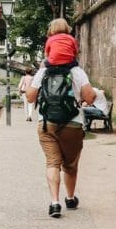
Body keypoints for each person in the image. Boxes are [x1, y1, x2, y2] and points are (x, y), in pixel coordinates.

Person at [26, 46, 96, 219]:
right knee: (70, 165)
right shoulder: (77, 72)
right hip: (72, 123)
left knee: (52, 163)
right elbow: (89, 98)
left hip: (47, 123)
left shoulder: (43, 72)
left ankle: (54, 203)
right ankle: (70, 199)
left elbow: (29, 97)